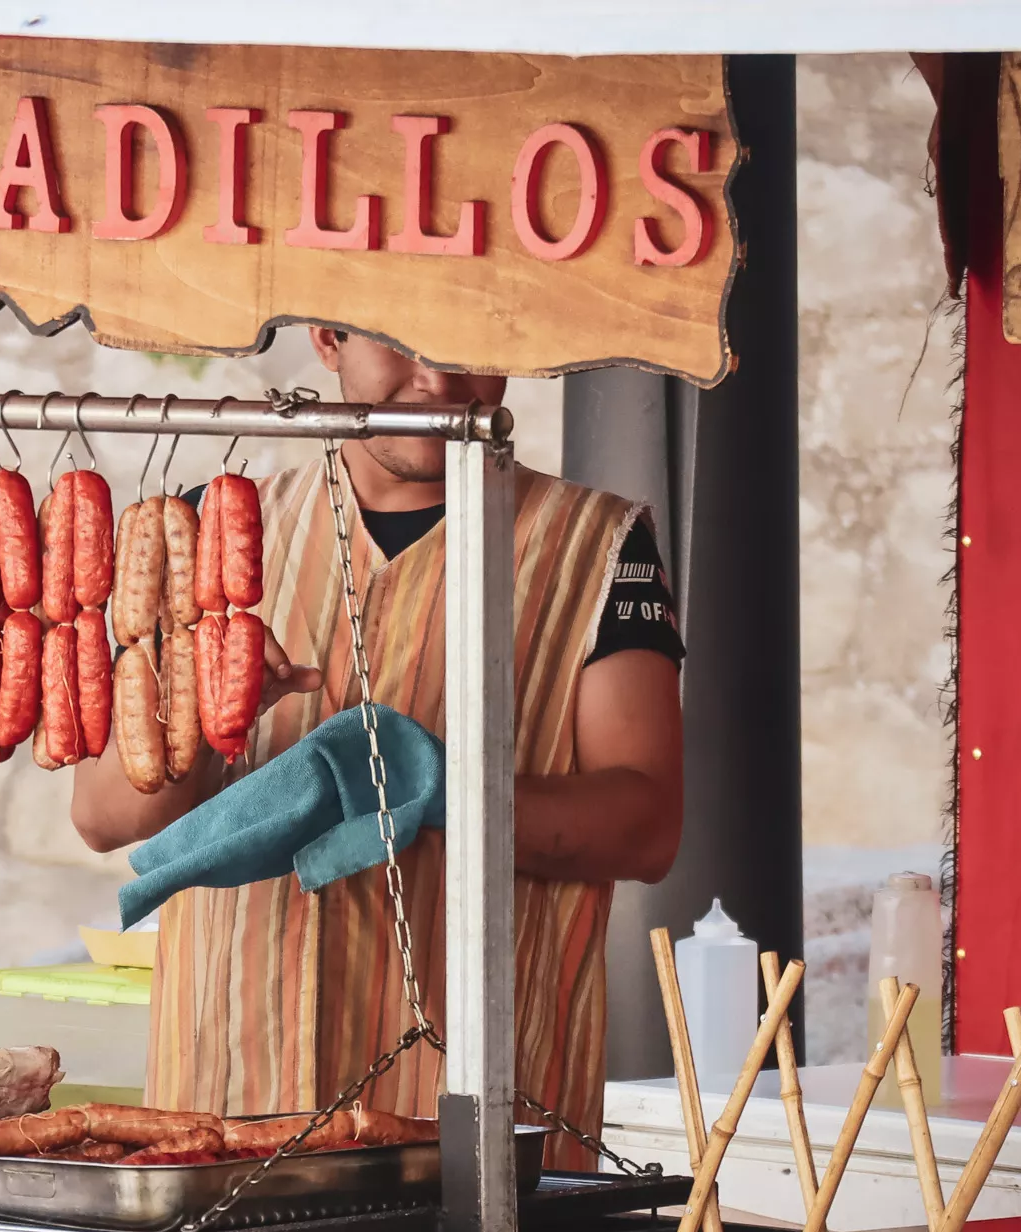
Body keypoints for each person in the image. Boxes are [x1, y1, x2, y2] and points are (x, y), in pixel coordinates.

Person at [73, 330, 685, 1162]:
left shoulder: (597, 545)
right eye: (400, 343)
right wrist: (211, 716)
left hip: (479, 1117)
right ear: (327, 340)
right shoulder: (206, 532)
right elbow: (105, 814)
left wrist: (449, 792)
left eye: (468, 338)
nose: (437, 378)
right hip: (225, 1094)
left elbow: (647, 826)